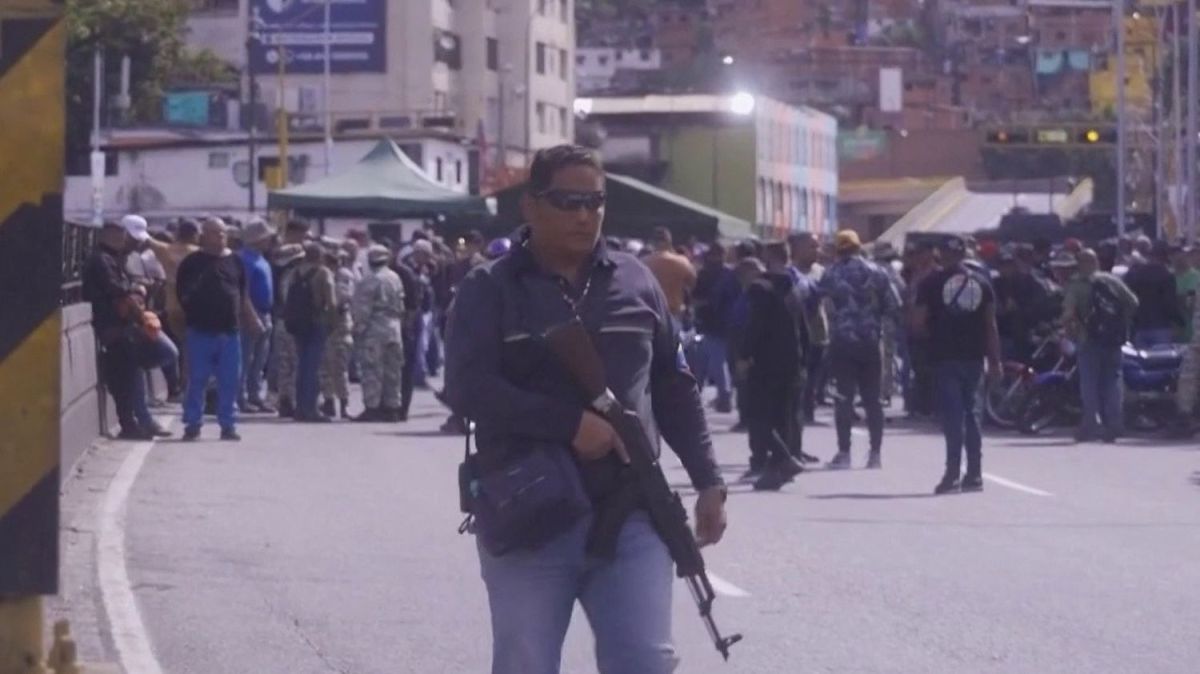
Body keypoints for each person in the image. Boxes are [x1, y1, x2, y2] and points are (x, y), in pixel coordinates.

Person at [445, 145, 726, 674]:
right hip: (529, 509)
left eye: (595, 202)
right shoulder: (489, 288)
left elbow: (674, 386)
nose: (584, 215)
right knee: (525, 663)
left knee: (645, 661)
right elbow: (466, 388)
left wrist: (708, 479)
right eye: (568, 201)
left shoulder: (636, 280)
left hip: (631, 508)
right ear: (530, 206)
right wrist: (568, 425)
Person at [912, 237, 1001, 495]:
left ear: (940, 253)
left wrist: (930, 338)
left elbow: (917, 323)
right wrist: (995, 360)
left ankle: (952, 474)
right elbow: (990, 326)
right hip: (973, 357)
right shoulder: (982, 283)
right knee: (972, 414)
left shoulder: (930, 283)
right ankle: (974, 474)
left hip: (944, 356)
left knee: (952, 417)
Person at [818, 230, 901, 470]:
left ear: (838, 249)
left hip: (842, 342)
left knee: (843, 397)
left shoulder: (831, 274)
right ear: (858, 246)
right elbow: (894, 305)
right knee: (872, 399)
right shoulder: (878, 272)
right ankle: (875, 455)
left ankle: (844, 453)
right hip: (870, 341)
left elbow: (821, 304)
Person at [176, 217, 260, 441]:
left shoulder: (235, 261)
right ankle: (193, 423)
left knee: (230, 380)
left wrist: (251, 318)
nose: (220, 236)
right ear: (204, 236)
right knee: (197, 379)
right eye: (215, 232)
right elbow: (181, 295)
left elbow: (242, 294)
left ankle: (228, 424)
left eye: (223, 232)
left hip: (229, 332)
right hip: (200, 331)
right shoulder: (192, 263)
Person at [737, 244, 808, 491]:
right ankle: (777, 470)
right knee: (782, 418)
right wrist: (804, 359)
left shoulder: (760, 289)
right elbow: (804, 328)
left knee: (756, 415)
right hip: (791, 361)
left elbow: (755, 325)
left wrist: (744, 355)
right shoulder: (794, 289)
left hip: (765, 362)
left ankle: (783, 459)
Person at [83, 220, 158, 439]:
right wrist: (134, 288)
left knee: (127, 375)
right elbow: (114, 287)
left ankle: (132, 423)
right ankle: (128, 425)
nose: (122, 240)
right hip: (111, 325)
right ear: (108, 235)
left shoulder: (111, 258)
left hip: (119, 325)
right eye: (119, 235)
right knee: (122, 378)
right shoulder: (101, 259)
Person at [1063, 249, 1139, 443]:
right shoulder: (1111, 280)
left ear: (1079, 264)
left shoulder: (1077, 285)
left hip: (1088, 339)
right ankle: (1115, 424)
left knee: (1089, 383)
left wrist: (1070, 332)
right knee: (1113, 381)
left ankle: (1090, 424)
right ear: (1096, 262)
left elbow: (1068, 313)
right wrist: (1121, 323)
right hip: (1113, 340)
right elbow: (1133, 302)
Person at [284, 242, 338, 422]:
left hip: (298, 324)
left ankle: (300, 407)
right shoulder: (323, 272)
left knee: (302, 365)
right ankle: (311, 408)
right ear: (320, 256)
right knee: (313, 367)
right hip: (316, 322)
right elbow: (331, 302)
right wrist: (333, 323)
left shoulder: (294, 273)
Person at [352, 245, 406, 421]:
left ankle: (372, 407)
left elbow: (363, 309)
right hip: (394, 326)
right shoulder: (395, 278)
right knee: (393, 370)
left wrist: (358, 329)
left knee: (372, 369)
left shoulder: (369, 280)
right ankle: (392, 408)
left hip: (374, 327)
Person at [691, 243, 739, 413]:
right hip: (720, 323)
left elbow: (695, 298)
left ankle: (718, 398)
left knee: (708, 363)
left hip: (711, 323)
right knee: (712, 363)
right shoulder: (730, 274)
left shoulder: (707, 274)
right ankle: (719, 398)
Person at [787, 232, 829, 422]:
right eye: (812, 246)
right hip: (796, 334)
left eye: (817, 246)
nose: (817, 250)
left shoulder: (822, 272)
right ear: (797, 248)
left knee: (814, 375)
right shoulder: (788, 273)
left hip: (819, 333)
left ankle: (809, 409)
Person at [237, 218, 276, 413]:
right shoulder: (243, 259)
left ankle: (255, 394)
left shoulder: (261, 259)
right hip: (249, 314)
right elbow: (241, 290)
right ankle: (240, 397)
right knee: (245, 358)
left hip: (265, 313)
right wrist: (250, 315)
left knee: (260, 360)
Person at [1123, 240, 1181, 348]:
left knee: (1140, 358)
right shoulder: (1167, 275)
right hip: (1161, 326)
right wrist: (1179, 321)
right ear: (1164, 257)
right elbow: (1170, 303)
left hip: (1140, 326)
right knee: (1161, 357)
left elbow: (1127, 298)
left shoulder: (1135, 273)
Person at [320, 248, 356, 419]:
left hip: (339, 327)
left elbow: (342, 299)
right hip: (326, 326)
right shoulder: (326, 274)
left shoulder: (343, 276)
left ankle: (343, 403)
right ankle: (328, 401)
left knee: (339, 368)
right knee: (325, 367)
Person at [270, 243, 305, 417]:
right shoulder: (296, 276)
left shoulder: (280, 274)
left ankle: (285, 400)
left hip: (282, 321)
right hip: (294, 323)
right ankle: (293, 400)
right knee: (295, 362)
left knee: (285, 364)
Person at [642, 226, 697, 320]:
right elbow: (692, 283)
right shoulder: (683, 262)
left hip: (651, 311)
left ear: (653, 242)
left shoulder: (644, 262)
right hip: (674, 312)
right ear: (669, 241)